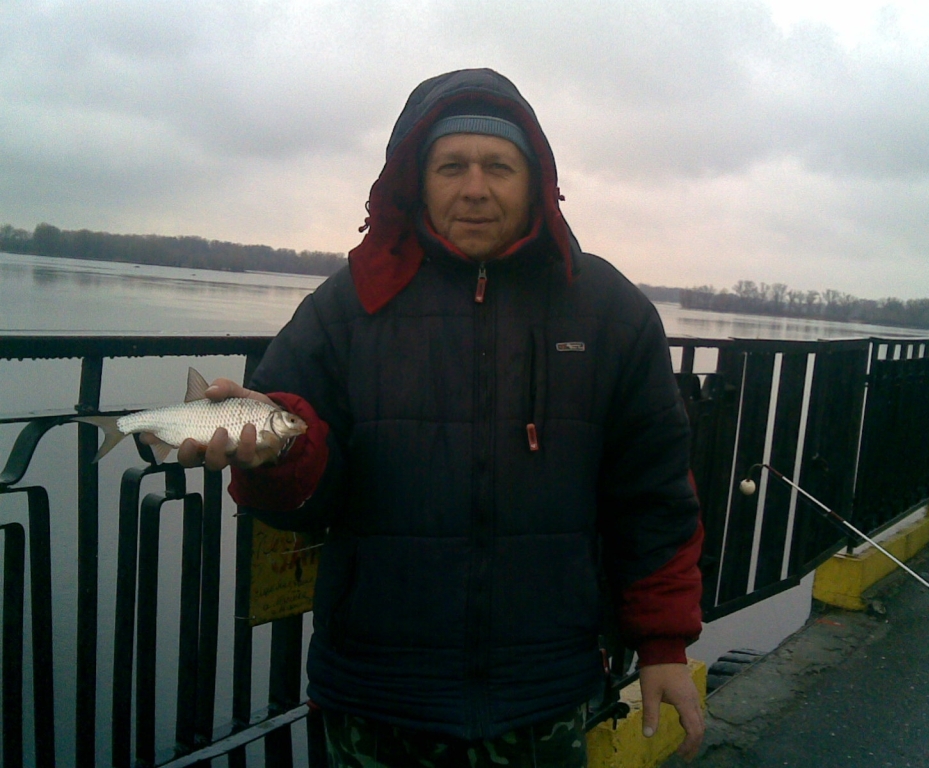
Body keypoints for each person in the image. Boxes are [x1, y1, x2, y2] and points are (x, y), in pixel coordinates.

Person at [171, 68, 705, 766]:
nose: (474, 188)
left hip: (542, 692)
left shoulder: (610, 311)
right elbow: (304, 492)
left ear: (537, 182)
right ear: (416, 180)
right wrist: (276, 456)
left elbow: (654, 492)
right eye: (451, 166)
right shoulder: (348, 305)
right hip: (376, 693)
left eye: (498, 166)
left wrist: (663, 644)